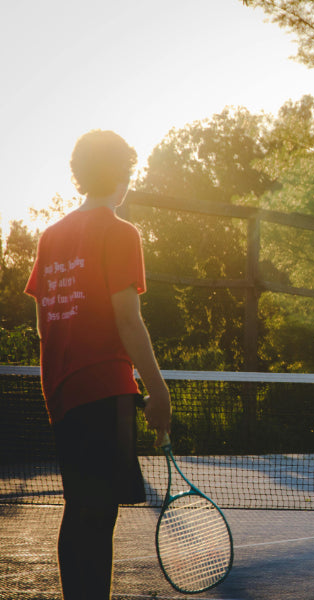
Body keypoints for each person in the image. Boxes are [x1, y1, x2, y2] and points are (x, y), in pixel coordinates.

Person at [24, 130, 171, 600]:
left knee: (79, 509)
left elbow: (46, 325)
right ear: (124, 175)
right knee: (100, 512)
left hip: (63, 395)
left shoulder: (50, 236)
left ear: (80, 174)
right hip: (106, 392)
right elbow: (128, 320)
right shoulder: (122, 232)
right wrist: (158, 390)